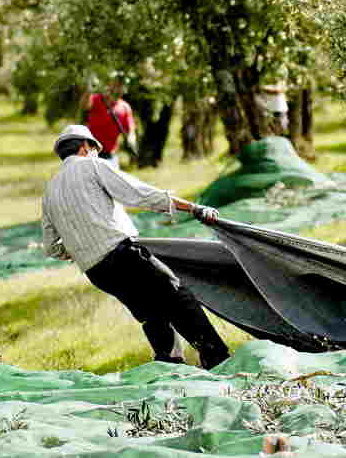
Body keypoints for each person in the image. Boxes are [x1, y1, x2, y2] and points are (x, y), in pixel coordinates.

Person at [41, 124, 231, 369]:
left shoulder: (50, 190)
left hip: (96, 271)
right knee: (177, 296)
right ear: (85, 147)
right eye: (94, 149)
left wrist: (82, 248)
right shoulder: (92, 165)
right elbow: (138, 194)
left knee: (152, 313)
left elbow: (51, 247)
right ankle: (217, 358)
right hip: (122, 255)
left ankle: (170, 365)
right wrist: (193, 208)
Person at [81, 79, 138, 167]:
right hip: (91, 153)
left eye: (121, 87)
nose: (118, 89)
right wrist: (89, 91)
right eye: (115, 86)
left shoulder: (125, 107)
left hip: (110, 156)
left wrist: (131, 139)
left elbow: (131, 130)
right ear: (109, 86)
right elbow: (84, 105)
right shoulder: (96, 99)